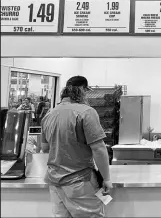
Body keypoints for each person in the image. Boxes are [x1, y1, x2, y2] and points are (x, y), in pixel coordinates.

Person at [41, 76, 112, 218]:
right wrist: (106, 178)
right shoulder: (86, 112)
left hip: (55, 183)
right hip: (80, 182)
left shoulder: (49, 114)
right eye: (86, 91)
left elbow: (45, 148)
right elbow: (98, 149)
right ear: (82, 91)